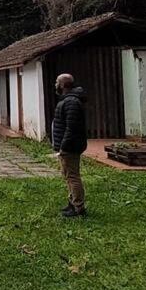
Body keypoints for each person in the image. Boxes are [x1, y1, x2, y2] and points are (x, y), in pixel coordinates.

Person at [51, 73, 87, 217]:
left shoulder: (71, 101)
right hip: (67, 146)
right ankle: (72, 202)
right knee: (67, 174)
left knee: (72, 176)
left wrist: (64, 146)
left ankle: (78, 207)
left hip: (69, 147)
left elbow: (71, 128)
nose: (55, 85)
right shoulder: (68, 100)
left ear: (63, 85)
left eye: (57, 82)